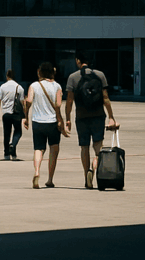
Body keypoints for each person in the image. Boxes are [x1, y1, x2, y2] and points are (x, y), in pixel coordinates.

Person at [64, 52, 120, 189]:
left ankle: (85, 175)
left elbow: (69, 101)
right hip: (98, 116)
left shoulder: (73, 77)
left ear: (78, 61)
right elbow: (105, 98)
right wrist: (111, 116)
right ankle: (93, 170)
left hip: (81, 117)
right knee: (98, 148)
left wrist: (67, 118)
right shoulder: (100, 75)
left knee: (84, 147)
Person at [24, 61, 67, 189]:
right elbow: (58, 105)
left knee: (38, 148)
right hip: (52, 122)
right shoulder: (57, 86)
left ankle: (37, 171)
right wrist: (60, 120)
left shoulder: (34, 86)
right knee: (54, 149)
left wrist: (25, 117)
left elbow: (29, 101)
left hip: (37, 122)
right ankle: (49, 179)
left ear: (40, 72)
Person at [0, 69, 25, 160]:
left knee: (6, 134)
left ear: (7, 76)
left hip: (6, 114)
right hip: (16, 114)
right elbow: (23, 103)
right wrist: (25, 115)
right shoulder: (20, 88)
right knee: (18, 132)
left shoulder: (3, 87)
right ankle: (13, 147)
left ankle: (6, 154)